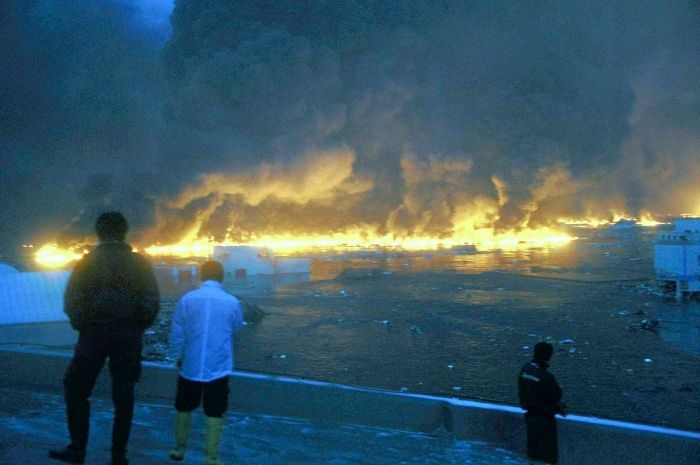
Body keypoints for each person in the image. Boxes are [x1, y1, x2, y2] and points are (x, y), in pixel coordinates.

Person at [49, 212, 160, 465]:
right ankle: (118, 455)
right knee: (124, 395)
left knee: (76, 389)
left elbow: (72, 299)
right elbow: (152, 302)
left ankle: (78, 448)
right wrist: (136, 327)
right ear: (125, 232)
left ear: (98, 233)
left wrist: (84, 326)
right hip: (128, 336)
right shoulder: (139, 263)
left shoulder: (87, 262)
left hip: (93, 336)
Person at [167, 260, 244, 465]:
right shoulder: (232, 302)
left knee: (183, 407)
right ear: (222, 277)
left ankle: (178, 449)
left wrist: (175, 356)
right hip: (218, 367)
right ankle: (211, 458)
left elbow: (177, 333)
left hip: (189, 365)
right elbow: (237, 326)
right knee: (215, 411)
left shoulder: (187, 299)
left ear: (201, 276)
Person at [517, 342, 567, 464]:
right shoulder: (546, 377)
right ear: (549, 356)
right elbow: (556, 395)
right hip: (544, 420)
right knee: (547, 455)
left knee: (533, 452)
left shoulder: (526, 369)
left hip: (530, 417)